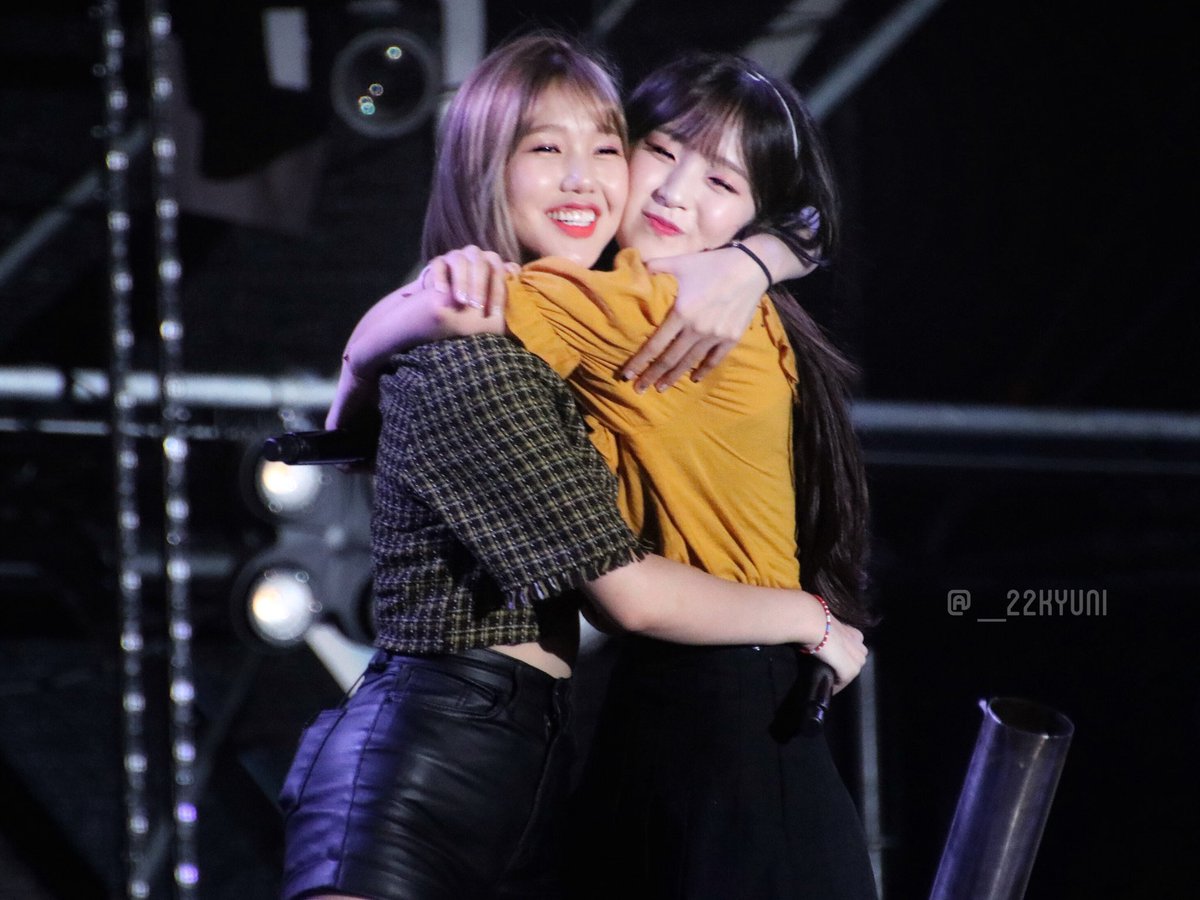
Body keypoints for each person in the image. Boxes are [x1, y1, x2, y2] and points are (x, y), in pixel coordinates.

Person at [278, 33, 866, 900]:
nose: (671, 191)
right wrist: (765, 255)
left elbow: (443, 312)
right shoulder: (657, 301)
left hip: (710, 716)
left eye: (720, 184)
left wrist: (362, 364)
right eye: (658, 151)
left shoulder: (651, 301)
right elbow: (809, 219)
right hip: (570, 733)